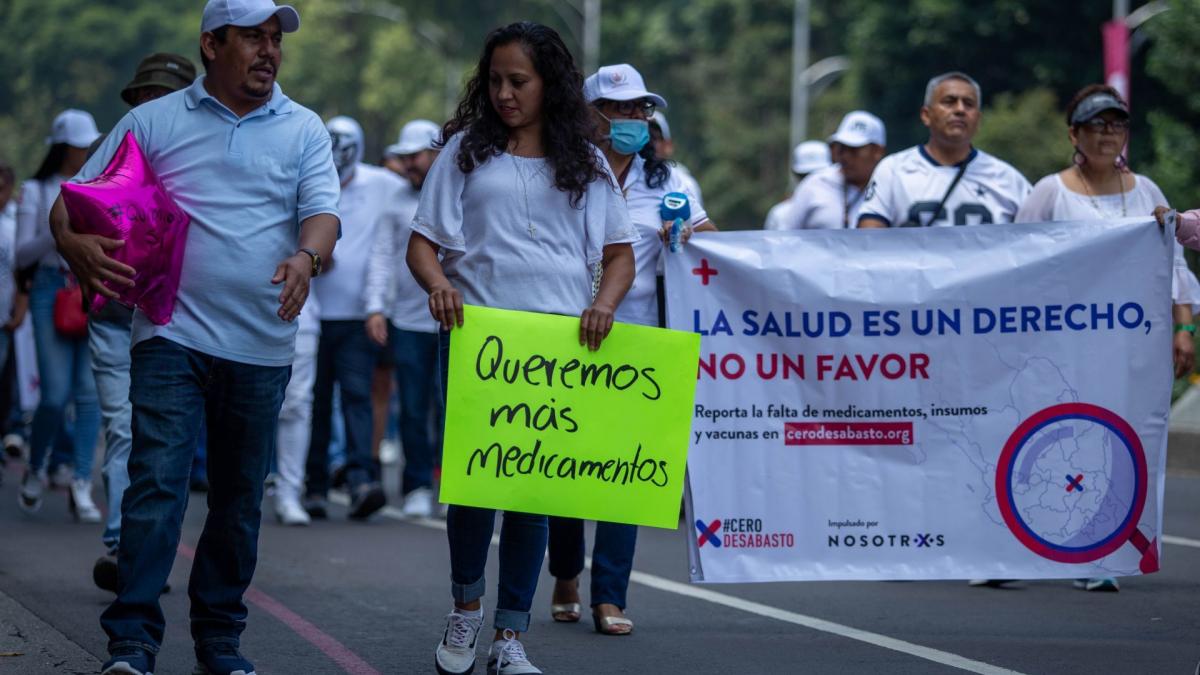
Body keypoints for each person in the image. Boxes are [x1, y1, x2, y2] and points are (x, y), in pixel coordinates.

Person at [50, 1, 340, 673]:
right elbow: (70, 203)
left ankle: (219, 642)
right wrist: (75, 247)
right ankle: (131, 642)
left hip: (262, 346)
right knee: (155, 483)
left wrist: (307, 258)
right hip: (170, 335)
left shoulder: (303, 127)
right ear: (212, 44)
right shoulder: (152, 121)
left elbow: (323, 211)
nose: (269, 51)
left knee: (239, 502)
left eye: (275, 39)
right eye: (253, 38)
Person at [407, 21, 636, 675]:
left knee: (533, 494)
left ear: (550, 85)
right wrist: (439, 284)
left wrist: (603, 305)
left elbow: (619, 256)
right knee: (475, 489)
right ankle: (465, 609)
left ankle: (510, 636)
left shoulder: (586, 163)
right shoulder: (463, 153)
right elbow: (422, 243)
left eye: (519, 81)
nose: (505, 94)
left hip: (557, 348)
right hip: (481, 344)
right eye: (496, 81)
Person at [543, 63, 716, 638]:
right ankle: (565, 571)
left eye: (640, 109)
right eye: (619, 110)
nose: (633, 119)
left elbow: (713, 247)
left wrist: (693, 242)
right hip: (561, 339)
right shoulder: (557, 173)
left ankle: (608, 596)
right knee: (564, 469)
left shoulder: (667, 182)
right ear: (588, 116)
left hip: (642, 341)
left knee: (627, 473)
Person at [1018, 86, 1196, 589]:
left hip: (1130, 346)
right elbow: (1016, 263)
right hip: (1063, 347)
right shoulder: (1049, 192)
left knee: (1124, 442)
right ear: (1074, 134)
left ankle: (1110, 545)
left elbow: (1174, 265)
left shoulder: (1147, 192)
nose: (1107, 134)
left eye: (1116, 125)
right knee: (1073, 441)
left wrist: (1184, 328)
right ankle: (1073, 544)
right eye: (1096, 125)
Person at [87, 51, 198, 593]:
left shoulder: (202, 156)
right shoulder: (112, 154)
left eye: (167, 94)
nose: (156, 104)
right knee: (125, 431)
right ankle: (122, 547)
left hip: (179, 324)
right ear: (134, 102)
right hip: (114, 316)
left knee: (165, 445)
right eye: (147, 95)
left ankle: (144, 549)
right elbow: (70, 220)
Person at [301, 115, 397, 522]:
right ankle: (315, 485)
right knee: (316, 401)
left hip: (358, 315)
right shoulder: (308, 179)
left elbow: (419, 190)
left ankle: (361, 479)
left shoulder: (381, 184)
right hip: (314, 313)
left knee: (357, 397)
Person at [14, 109, 103, 521]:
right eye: (79, 145)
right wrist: (60, 228)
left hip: (89, 285)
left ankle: (82, 482)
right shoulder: (37, 189)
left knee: (88, 394)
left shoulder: (100, 183)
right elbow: (21, 254)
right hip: (51, 288)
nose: (86, 151)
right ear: (63, 147)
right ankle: (36, 468)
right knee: (53, 395)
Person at [366, 118, 443, 518]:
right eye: (405, 157)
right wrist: (376, 307)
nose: (409, 164)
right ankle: (416, 485)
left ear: (435, 155)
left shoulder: (458, 196)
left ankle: (452, 484)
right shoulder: (395, 203)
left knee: (452, 406)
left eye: (414, 155)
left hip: (455, 320)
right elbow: (381, 257)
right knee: (412, 406)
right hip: (409, 322)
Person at [857, 71, 1031, 229]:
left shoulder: (1007, 179)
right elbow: (868, 242)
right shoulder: (893, 171)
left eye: (969, 104)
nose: (960, 109)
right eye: (949, 101)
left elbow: (1038, 241)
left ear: (978, 119)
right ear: (926, 115)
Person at [778, 111, 887, 230]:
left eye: (854, 149)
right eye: (842, 148)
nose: (845, 156)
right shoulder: (813, 185)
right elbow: (785, 239)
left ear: (877, 151)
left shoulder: (890, 189)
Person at [763, 140, 832, 230]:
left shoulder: (845, 210)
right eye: (805, 176)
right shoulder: (779, 214)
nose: (811, 182)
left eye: (817, 176)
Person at [648, 111, 704, 209]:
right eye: (644, 136)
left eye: (654, 137)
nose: (648, 143)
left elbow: (691, 223)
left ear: (668, 145)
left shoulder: (683, 183)